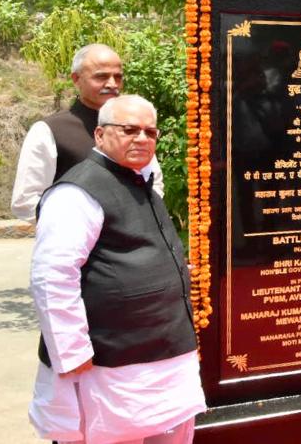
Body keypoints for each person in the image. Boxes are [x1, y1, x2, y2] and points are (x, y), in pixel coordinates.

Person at [28, 94, 205, 443]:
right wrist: (71, 351)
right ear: (99, 135)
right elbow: (52, 276)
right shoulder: (77, 192)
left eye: (150, 132)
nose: (142, 138)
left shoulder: (143, 178)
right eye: (129, 130)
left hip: (164, 357)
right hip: (109, 365)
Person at [11, 43, 163, 222]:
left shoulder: (137, 126)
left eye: (118, 77)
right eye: (101, 77)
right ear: (76, 79)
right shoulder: (50, 131)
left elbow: (155, 183)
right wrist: (87, 224)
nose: (112, 84)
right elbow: (26, 201)